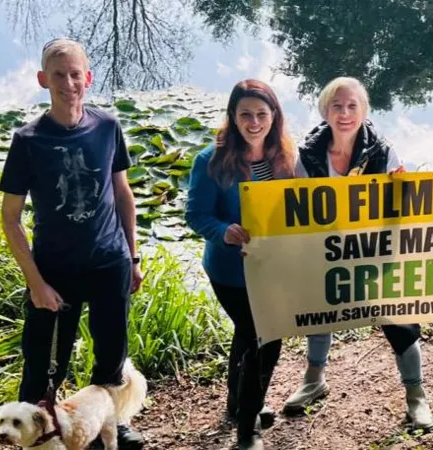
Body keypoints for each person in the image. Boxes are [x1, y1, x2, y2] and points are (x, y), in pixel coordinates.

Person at [0, 38, 146, 449]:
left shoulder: (107, 127)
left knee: (111, 355)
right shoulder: (28, 140)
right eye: (58, 75)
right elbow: (10, 218)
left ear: (88, 78)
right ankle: (34, 433)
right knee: (44, 362)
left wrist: (132, 257)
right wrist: (35, 282)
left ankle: (107, 425)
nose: (68, 83)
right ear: (42, 79)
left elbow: (122, 193)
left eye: (75, 74)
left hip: (108, 262)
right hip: (54, 271)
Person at [282, 76, 433, 430]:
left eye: (352, 106)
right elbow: (298, 207)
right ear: (325, 111)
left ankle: (417, 396)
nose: (345, 113)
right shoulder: (307, 155)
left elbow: (400, 209)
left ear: (364, 111)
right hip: (327, 249)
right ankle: (314, 380)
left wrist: (403, 189)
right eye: (337, 106)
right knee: (320, 312)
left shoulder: (383, 152)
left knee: (398, 318)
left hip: (373, 249)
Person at [185, 79, 295, 450]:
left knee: (251, 336)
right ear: (232, 116)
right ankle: (248, 427)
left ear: (274, 116)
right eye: (245, 114)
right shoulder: (211, 160)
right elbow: (196, 215)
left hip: (272, 267)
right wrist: (223, 231)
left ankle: (238, 403)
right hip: (230, 271)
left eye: (262, 114)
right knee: (262, 337)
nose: (254, 122)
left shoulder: (286, 157)